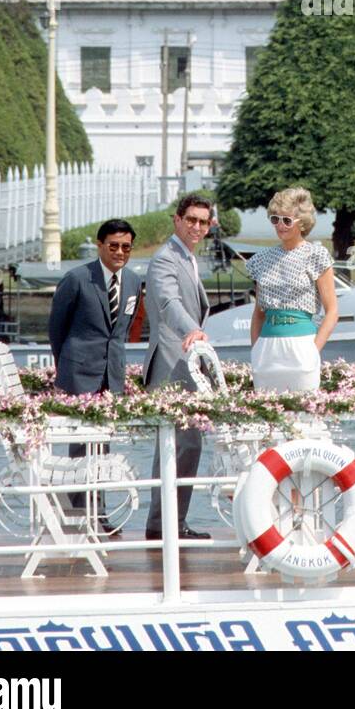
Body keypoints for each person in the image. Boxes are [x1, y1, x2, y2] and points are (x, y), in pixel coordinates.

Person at [47, 219, 141, 531]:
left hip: (111, 375)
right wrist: (67, 368)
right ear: (100, 245)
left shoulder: (132, 282)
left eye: (125, 247)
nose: (119, 252)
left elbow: (121, 332)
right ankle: (79, 514)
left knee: (103, 445)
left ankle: (98, 512)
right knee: (80, 448)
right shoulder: (76, 279)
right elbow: (56, 329)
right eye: (113, 246)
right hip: (78, 373)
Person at [144, 192, 214, 543]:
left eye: (203, 222)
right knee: (179, 445)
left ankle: (169, 523)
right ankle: (163, 525)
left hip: (187, 366)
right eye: (191, 220)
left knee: (187, 445)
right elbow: (169, 302)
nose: (197, 227)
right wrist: (194, 331)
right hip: (171, 366)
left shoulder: (187, 257)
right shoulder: (163, 260)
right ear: (177, 220)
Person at [246, 187, 338, 393]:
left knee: (304, 416)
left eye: (287, 220)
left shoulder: (316, 255)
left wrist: (313, 351)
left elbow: (332, 311)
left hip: (302, 347)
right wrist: (256, 351)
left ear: (302, 223)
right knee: (265, 418)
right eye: (275, 219)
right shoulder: (261, 260)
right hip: (266, 350)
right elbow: (259, 313)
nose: (280, 225)